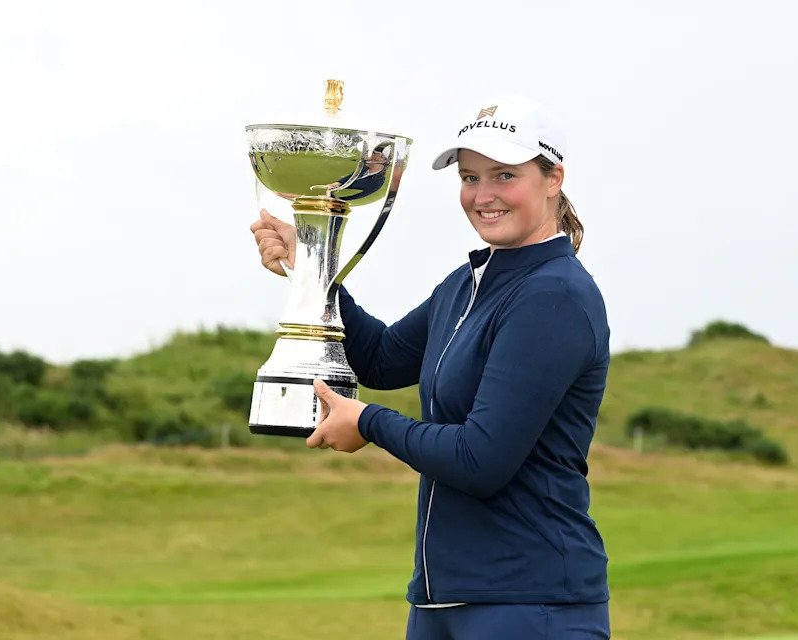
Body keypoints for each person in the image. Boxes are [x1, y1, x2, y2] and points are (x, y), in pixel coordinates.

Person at [250, 96, 611, 639]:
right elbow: (380, 357)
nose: (483, 195)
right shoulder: (468, 283)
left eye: (504, 175)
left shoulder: (553, 296)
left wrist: (368, 422)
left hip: (531, 604)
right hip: (443, 601)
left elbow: (478, 459)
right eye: (470, 177)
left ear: (552, 177)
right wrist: (311, 263)